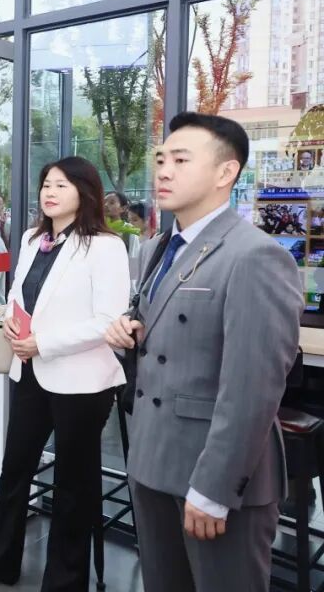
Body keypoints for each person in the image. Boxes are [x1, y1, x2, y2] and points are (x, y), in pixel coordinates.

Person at [104, 113, 302, 592]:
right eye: (160, 160)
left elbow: (253, 390)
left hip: (211, 476)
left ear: (225, 172)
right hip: (152, 460)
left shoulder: (254, 255)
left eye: (181, 160)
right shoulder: (161, 247)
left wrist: (215, 488)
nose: (164, 171)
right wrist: (128, 330)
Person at [0, 156, 130, 589]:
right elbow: (19, 292)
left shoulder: (105, 246)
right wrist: (14, 323)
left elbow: (108, 321)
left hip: (82, 381)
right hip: (31, 370)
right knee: (15, 468)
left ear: (84, 193)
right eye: (46, 184)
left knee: (73, 485)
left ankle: (64, 581)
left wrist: (43, 342)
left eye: (62, 185)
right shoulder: (34, 238)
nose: (50, 192)